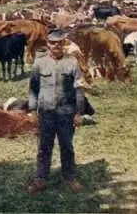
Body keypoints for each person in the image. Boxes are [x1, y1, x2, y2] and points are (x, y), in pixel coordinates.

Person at [25, 29, 86, 195]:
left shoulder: (72, 62)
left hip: (66, 112)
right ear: (47, 44)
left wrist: (79, 113)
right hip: (46, 113)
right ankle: (41, 180)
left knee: (67, 146)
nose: (56, 46)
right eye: (53, 43)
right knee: (44, 147)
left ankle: (69, 179)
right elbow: (33, 88)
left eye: (60, 42)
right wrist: (32, 110)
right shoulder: (39, 63)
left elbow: (79, 88)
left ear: (64, 43)